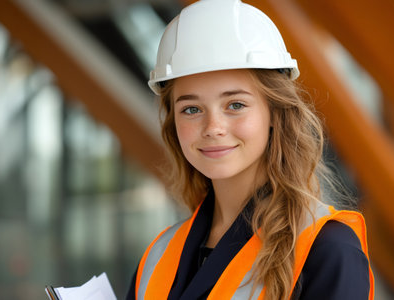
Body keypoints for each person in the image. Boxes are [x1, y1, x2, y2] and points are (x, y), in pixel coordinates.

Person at [126, 0, 374, 299]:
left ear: (275, 113)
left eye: (236, 105)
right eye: (191, 109)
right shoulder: (159, 255)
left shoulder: (326, 248)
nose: (213, 127)